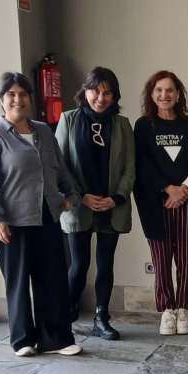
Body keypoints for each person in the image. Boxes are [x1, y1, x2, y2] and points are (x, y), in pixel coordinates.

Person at [0, 71, 82, 357]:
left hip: (47, 216)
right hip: (12, 222)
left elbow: (59, 168)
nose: (17, 99)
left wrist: (70, 195)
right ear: (1, 100)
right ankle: (23, 340)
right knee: (19, 283)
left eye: (23, 94)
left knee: (53, 280)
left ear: (29, 99)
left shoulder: (43, 131)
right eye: (11, 94)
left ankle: (57, 340)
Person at [55, 66, 135, 341]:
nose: (101, 97)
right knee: (79, 265)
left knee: (105, 264)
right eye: (96, 91)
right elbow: (60, 165)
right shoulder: (68, 120)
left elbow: (130, 167)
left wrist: (116, 198)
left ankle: (102, 318)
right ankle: (65, 312)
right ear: (85, 91)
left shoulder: (123, 125)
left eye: (107, 92)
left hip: (112, 206)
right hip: (80, 206)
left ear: (114, 96)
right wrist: (80, 196)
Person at [133, 71, 188, 336]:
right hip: (157, 204)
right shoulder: (144, 126)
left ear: (178, 94)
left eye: (169, 90)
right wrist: (168, 189)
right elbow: (142, 164)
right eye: (159, 90)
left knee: (186, 260)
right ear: (151, 94)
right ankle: (167, 309)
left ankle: (184, 308)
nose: (164, 95)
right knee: (162, 258)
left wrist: (184, 190)